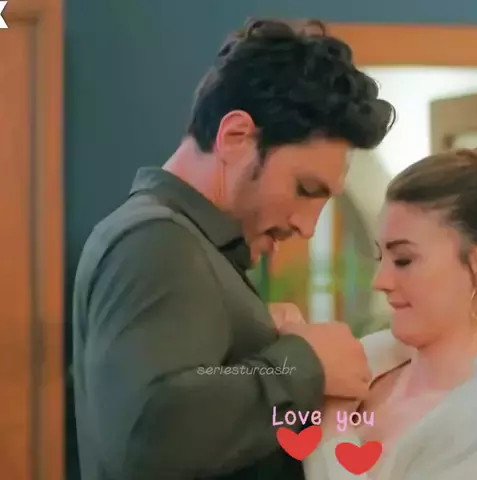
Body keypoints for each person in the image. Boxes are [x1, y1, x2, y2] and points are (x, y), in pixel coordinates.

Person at [71, 18, 395, 480]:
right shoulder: (158, 241)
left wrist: (269, 345)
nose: (307, 227)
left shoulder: (180, 244)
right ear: (235, 137)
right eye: (305, 189)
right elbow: (149, 434)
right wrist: (307, 363)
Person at [304, 147, 477, 479]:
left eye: (403, 260)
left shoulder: (471, 426)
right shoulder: (358, 364)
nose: (380, 282)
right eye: (380, 258)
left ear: (476, 266)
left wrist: (333, 418)